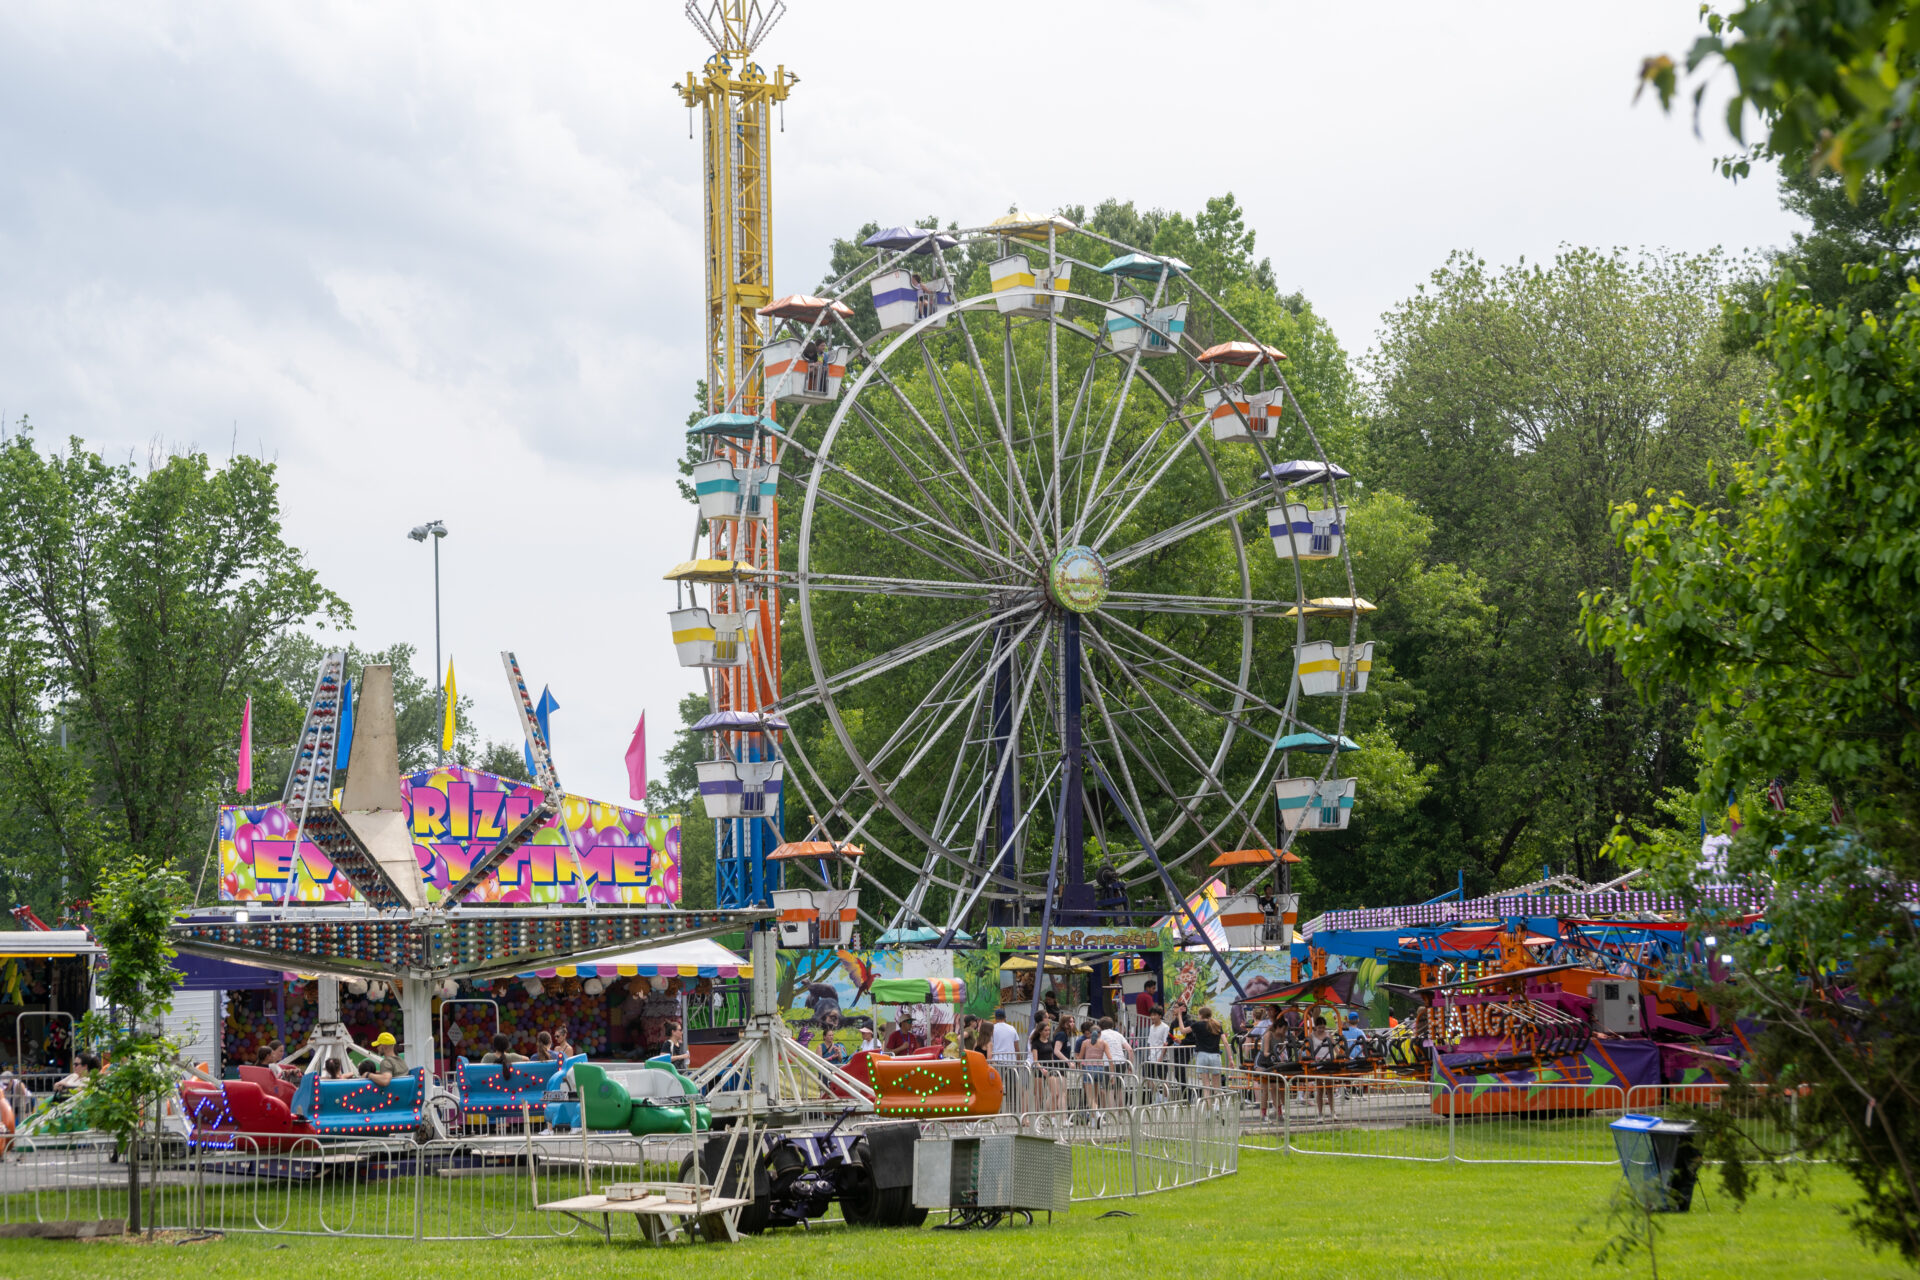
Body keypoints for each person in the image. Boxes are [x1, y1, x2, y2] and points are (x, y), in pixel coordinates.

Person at [1189, 1007, 1224, 1085]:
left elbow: (1183, 1030)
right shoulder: (1217, 1025)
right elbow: (1225, 1041)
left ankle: (1207, 1097)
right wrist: (1230, 1058)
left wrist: (1179, 1016)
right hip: (1215, 1055)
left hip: (1202, 1055)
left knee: (1206, 1085)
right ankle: (1217, 1097)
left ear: (1201, 1015)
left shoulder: (1197, 1025)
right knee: (1217, 1085)